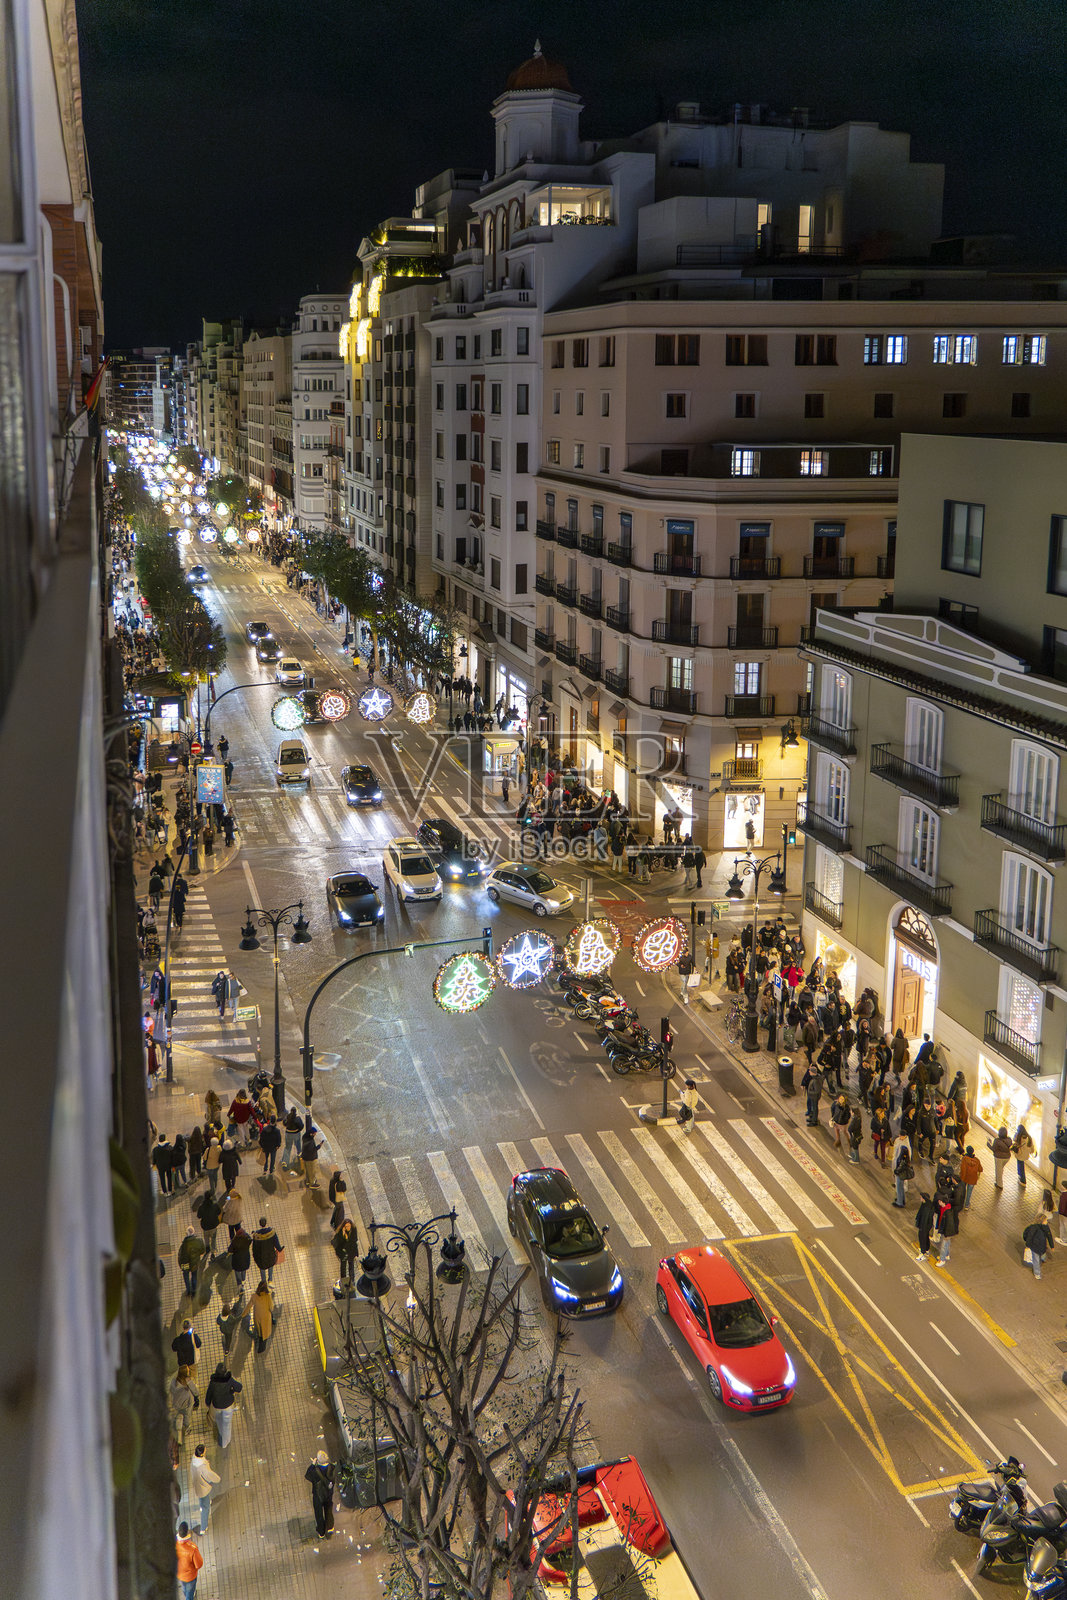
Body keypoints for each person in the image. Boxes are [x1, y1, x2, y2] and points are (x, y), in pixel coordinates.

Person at [204, 1361, 242, 1447]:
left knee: (217, 1421)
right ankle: (224, 1442)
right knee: (226, 1425)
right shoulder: (229, 1380)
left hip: (216, 1406)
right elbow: (239, 1387)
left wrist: (208, 1403)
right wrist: (232, 1390)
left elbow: (209, 1395)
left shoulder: (213, 1383)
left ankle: (218, 1431)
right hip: (228, 1406)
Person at [189, 1444, 220, 1533]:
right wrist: (217, 1479)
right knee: (205, 1507)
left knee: (203, 1499)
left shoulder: (194, 1460)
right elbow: (210, 1475)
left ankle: (205, 1502)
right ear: (202, 1454)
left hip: (197, 1484)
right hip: (202, 1489)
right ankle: (203, 1527)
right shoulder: (203, 1467)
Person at [305, 1451, 335, 1537]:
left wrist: (313, 1465)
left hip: (318, 1495)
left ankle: (321, 1531)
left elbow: (307, 1476)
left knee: (319, 1513)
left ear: (318, 1460)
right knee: (328, 1510)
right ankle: (330, 1526)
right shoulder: (332, 1467)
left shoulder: (315, 1471)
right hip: (328, 1494)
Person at [169, 1366, 199, 1447]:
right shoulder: (188, 1384)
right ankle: (187, 1427)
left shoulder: (173, 1381)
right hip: (186, 1404)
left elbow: (171, 1391)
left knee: (178, 1414)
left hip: (176, 1403)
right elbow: (196, 1392)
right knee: (187, 1416)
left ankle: (178, 1425)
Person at [175, 1523, 204, 1600]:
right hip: (190, 1576)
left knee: (184, 1588)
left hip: (179, 1575)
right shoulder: (192, 1548)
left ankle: (187, 1594)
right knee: (190, 1594)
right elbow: (199, 1564)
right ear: (187, 1532)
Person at [251, 1216, 283, 1284]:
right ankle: (270, 1280)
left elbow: (254, 1248)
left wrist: (255, 1257)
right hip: (270, 1255)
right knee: (270, 1266)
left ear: (260, 1224)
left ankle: (263, 1281)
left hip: (261, 1258)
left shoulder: (256, 1236)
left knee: (262, 1268)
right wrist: (280, 1249)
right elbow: (277, 1244)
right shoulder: (272, 1233)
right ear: (266, 1223)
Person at [178, 1227, 207, 1298]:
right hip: (195, 1263)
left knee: (186, 1276)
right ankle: (194, 1291)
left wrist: (180, 1264)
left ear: (186, 1234)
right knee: (194, 1276)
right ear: (193, 1232)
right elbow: (203, 1251)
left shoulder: (184, 1244)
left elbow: (180, 1255)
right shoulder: (199, 1240)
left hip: (185, 1263)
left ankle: (188, 1291)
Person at [1024, 1214, 1055, 1279]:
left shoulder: (1045, 1227)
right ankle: (1037, 1273)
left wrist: (1052, 1245)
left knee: (1040, 1256)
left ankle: (1042, 1259)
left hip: (1041, 1246)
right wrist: (1028, 1245)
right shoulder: (1035, 1228)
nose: (1047, 1221)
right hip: (1036, 1247)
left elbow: (1049, 1236)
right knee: (1036, 1260)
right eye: (1046, 1220)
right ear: (1042, 1221)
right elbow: (1030, 1237)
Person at [250, 1281, 275, 1354]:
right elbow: (271, 1308)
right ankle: (261, 1349)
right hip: (266, 1319)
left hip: (258, 1318)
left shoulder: (255, 1295)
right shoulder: (267, 1296)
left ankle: (260, 1341)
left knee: (260, 1333)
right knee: (264, 1335)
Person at [332, 1219, 360, 1283]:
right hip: (343, 1252)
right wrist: (343, 1234)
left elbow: (354, 1240)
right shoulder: (340, 1233)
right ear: (344, 1227)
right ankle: (343, 1280)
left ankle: (352, 1280)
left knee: (351, 1265)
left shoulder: (353, 1230)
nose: (348, 1227)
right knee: (343, 1267)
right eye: (346, 1226)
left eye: (349, 1226)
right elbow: (339, 1243)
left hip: (351, 1251)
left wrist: (347, 1238)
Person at [892, 1132, 914, 1208]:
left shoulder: (904, 1156)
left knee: (899, 1186)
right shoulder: (901, 1144)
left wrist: (896, 1171)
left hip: (900, 1172)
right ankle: (901, 1199)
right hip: (900, 1170)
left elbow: (901, 1165)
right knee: (899, 1186)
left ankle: (899, 1202)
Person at [914, 1192, 936, 1262]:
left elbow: (925, 1218)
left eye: (921, 1197)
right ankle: (926, 1249)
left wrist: (922, 1227)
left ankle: (922, 1253)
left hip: (924, 1225)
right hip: (927, 1225)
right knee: (926, 1236)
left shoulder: (926, 1207)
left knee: (922, 1237)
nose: (920, 1198)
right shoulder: (927, 1204)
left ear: (923, 1198)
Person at [300, 1124, 323, 1188]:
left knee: (307, 1171)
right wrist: (319, 1146)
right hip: (310, 1159)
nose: (315, 1135)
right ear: (311, 1134)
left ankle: (308, 1181)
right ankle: (312, 1184)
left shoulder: (305, 1137)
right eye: (314, 1134)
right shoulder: (310, 1142)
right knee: (312, 1171)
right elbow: (313, 1150)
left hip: (305, 1157)